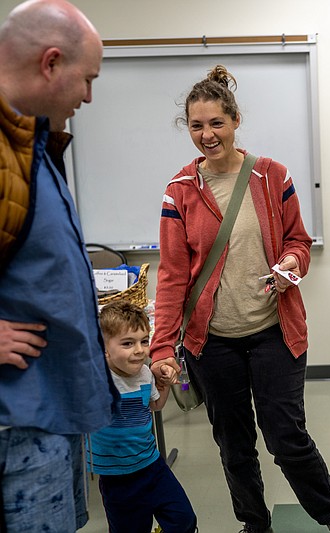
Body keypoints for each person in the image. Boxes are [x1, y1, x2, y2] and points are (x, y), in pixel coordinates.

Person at [149, 65, 330, 533]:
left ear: (235, 120)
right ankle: (255, 524)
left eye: (216, 123)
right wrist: (162, 347)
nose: (207, 134)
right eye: (197, 125)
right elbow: (172, 278)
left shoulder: (271, 176)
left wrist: (290, 266)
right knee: (234, 444)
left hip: (274, 332)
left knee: (287, 438)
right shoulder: (180, 191)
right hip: (213, 342)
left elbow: (299, 242)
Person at [0, 1, 118, 531]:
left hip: (54, 407)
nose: (88, 97)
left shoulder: (30, 147)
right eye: (86, 79)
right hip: (18, 418)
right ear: (51, 62)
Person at [88, 300, 197, 533]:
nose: (139, 350)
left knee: (184, 519)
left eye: (144, 341)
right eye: (128, 343)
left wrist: (164, 384)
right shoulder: (94, 377)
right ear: (104, 348)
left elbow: (156, 406)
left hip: (152, 466)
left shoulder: (145, 373)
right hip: (117, 477)